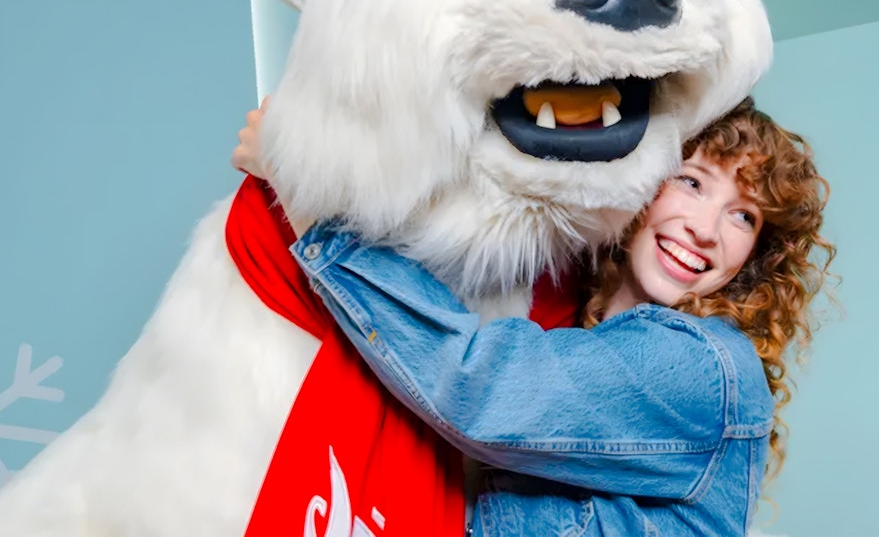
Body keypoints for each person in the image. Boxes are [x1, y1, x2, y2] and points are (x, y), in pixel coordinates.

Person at [231, 96, 835, 536]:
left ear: (755, 258)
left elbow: (478, 386)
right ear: (641, 186)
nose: (705, 229)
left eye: (743, 217)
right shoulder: (570, 324)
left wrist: (304, 193)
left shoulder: (701, 364)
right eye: (692, 182)